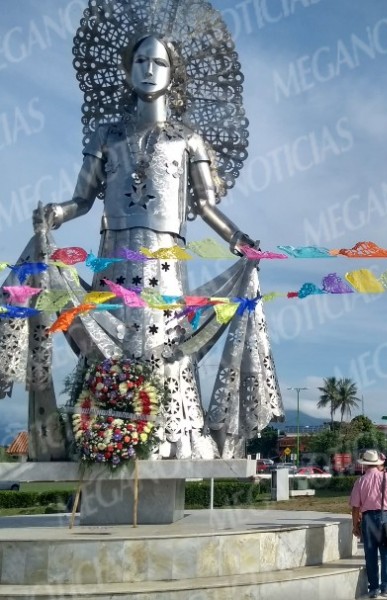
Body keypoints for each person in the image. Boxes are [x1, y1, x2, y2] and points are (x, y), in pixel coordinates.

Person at [2, 0, 284, 462]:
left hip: (167, 262)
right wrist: (56, 212)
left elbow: (207, 207)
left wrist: (240, 241)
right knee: (105, 340)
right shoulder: (107, 137)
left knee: (166, 344)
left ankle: (173, 434)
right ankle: (102, 432)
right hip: (112, 258)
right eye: (140, 61)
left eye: (158, 62)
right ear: (127, 70)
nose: (148, 69)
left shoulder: (189, 139)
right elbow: (83, 199)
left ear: (174, 74)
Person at [350, 449, 387, 599]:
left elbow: (355, 507)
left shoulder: (360, 481)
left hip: (368, 519)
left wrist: (355, 526)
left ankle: (373, 588)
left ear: (365, 465)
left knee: (370, 554)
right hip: (386, 517)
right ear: (378, 463)